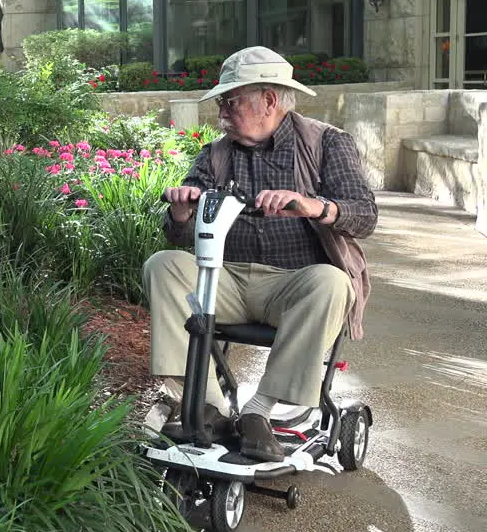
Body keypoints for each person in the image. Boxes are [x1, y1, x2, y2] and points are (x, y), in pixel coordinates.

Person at [146, 46, 377, 462]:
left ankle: (258, 412)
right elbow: (177, 235)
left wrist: (313, 206)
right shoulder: (215, 154)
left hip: (292, 283)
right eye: (221, 102)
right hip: (226, 279)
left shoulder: (326, 143)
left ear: (269, 101)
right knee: (164, 265)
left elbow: (364, 215)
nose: (221, 113)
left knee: (332, 281)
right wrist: (181, 210)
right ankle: (209, 407)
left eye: (230, 101)